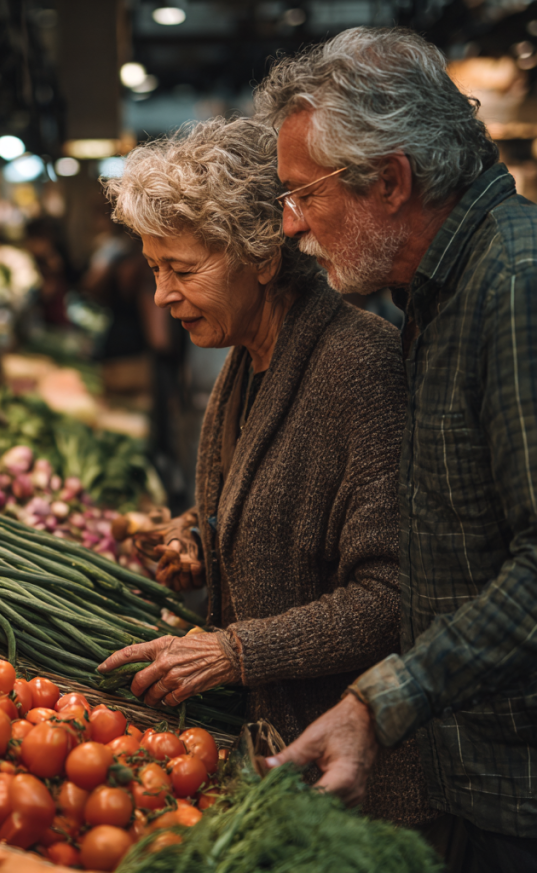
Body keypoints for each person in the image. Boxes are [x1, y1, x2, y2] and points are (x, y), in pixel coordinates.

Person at [96, 117, 435, 828]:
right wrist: (199, 536)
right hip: (276, 758)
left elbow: (392, 594)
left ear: (261, 256)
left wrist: (234, 649)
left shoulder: (359, 366)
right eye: (155, 268)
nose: (161, 295)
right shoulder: (246, 361)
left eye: (183, 269)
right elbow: (271, 504)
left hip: (350, 791)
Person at [253, 26, 537, 871]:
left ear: (390, 180)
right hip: (474, 773)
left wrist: (382, 702)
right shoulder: (432, 291)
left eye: (304, 194)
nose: (291, 224)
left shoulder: (514, 286)